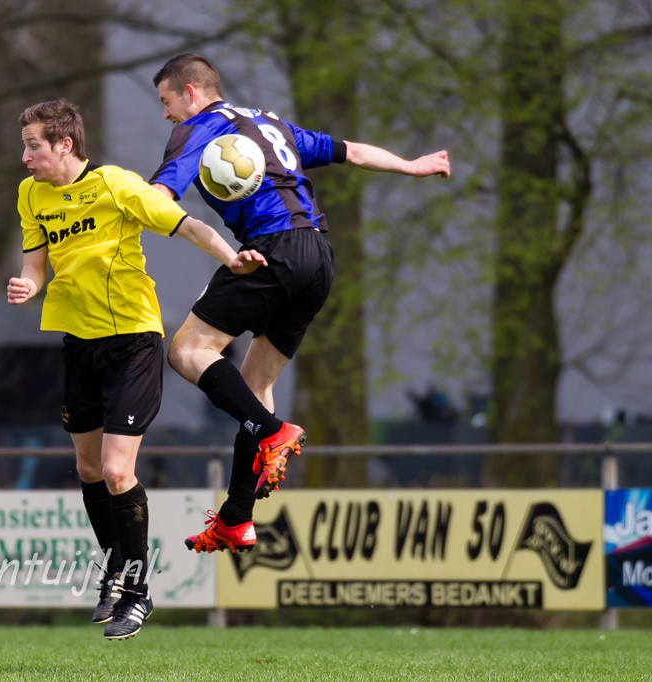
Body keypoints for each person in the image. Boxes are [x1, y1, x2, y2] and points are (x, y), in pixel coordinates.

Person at [149, 53, 451, 554]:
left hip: (272, 251)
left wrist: (119, 212)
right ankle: (236, 518)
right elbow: (350, 151)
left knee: (186, 352)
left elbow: (159, 197)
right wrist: (410, 166)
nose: (165, 114)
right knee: (256, 385)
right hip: (317, 257)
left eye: (166, 101)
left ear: (191, 93)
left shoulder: (198, 128)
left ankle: (272, 433)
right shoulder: (272, 125)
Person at [7, 99, 265, 640]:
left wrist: (232, 258)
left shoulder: (117, 185)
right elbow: (35, 263)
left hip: (132, 344)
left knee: (117, 470)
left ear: (64, 145)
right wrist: (28, 285)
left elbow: (187, 225)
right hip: (79, 343)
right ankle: (115, 574)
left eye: (33, 145)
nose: (25, 156)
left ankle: (137, 591)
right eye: (24, 146)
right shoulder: (31, 194)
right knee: (88, 468)